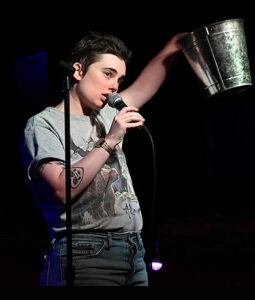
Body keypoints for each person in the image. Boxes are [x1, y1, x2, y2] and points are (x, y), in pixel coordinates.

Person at [20, 31, 186, 286]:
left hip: (134, 251)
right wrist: (110, 140)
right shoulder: (43, 123)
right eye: (107, 74)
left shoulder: (107, 114)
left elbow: (147, 84)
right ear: (78, 71)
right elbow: (61, 190)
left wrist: (179, 42)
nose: (115, 86)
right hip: (86, 254)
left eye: (119, 79)